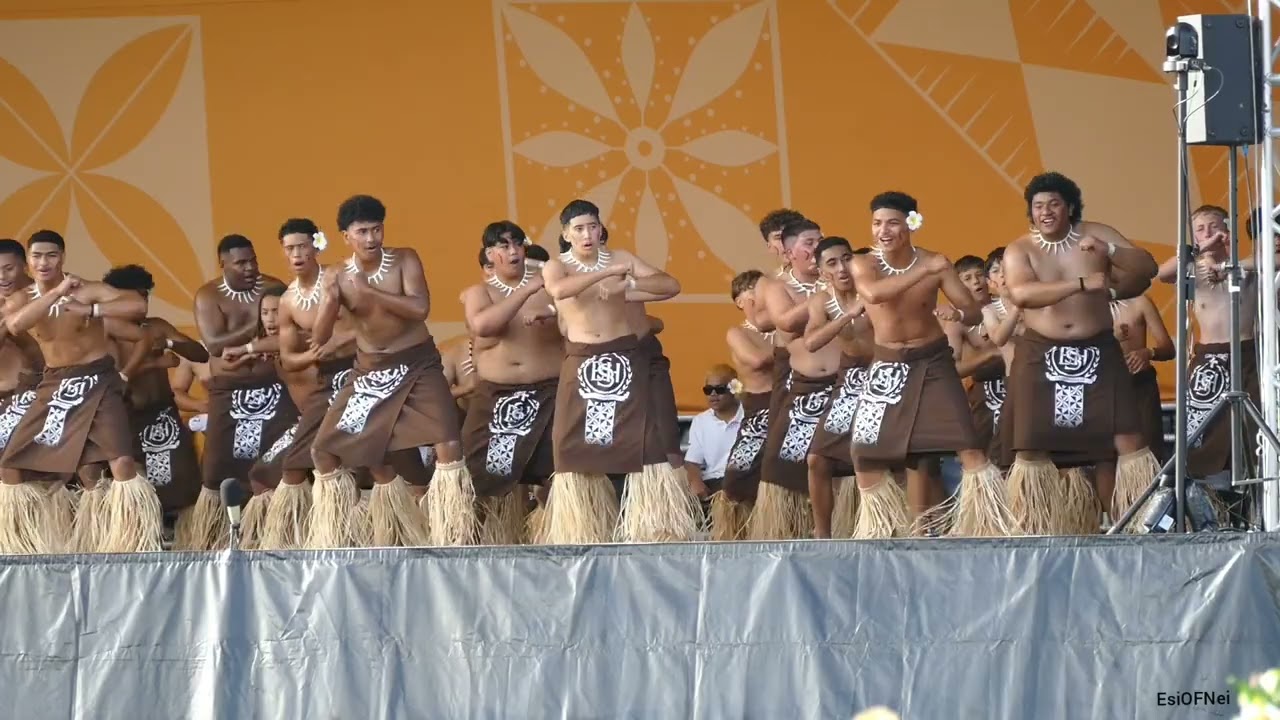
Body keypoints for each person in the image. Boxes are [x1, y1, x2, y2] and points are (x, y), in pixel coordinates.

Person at [1001, 172, 1160, 535]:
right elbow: (1023, 294)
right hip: (1040, 352)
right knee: (1031, 445)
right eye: (1038, 206)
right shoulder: (1020, 249)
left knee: (1126, 437)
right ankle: (1036, 530)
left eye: (1053, 204)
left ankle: (1134, 527)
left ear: (1069, 206)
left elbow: (1147, 269)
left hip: (1099, 351)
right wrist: (1083, 283)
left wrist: (1111, 253)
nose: (1045, 212)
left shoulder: (1096, 234)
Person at [310, 195, 472, 547]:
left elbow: (420, 308)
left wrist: (371, 292)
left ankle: (452, 535)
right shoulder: (336, 275)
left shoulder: (404, 259)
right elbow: (319, 337)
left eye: (376, 229)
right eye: (362, 232)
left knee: (447, 442)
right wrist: (330, 299)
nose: (371, 238)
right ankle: (354, 532)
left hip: (418, 364)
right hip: (371, 371)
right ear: (345, 236)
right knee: (323, 449)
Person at [849, 193, 1007, 538]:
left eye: (892, 222)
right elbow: (875, 295)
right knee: (864, 448)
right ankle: (882, 529)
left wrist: (958, 313)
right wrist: (925, 270)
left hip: (934, 361)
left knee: (967, 443)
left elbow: (972, 310)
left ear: (912, 223)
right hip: (888, 363)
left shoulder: (936, 262)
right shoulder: (864, 264)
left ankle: (987, 526)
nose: (883, 231)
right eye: (877, 223)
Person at [540, 199, 697, 543]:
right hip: (582, 359)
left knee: (644, 436)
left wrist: (627, 286)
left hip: (624, 356)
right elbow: (559, 290)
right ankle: (583, 528)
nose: (587, 234)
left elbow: (670, 285)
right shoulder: (557, 266)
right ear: (565, 234)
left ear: (601, 229)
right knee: (569, 441)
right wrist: (607, 274)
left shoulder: (622, 257)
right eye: (579, 229)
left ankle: (655, 527)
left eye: (593, 227)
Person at [0, 230, 155, 554]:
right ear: (29, 261)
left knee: (120, 462)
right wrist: (55, 293)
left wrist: (94, 311)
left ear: (62, 257)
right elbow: (15, 325)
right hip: (55, 383)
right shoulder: (24, 298)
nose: (44, 262)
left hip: (97, 380)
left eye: (52, 255)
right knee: (11, 464)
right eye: (37, 256)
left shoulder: (85, 290)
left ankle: (129, 544)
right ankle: (26, 547)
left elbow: (136, 304)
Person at [247, 219, 366, 550]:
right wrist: (315, 353)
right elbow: (288, 357)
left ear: (317, 246)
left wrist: (337, 341)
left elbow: (374, 325)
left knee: (371, 459)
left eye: (302, 246)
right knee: (293, 462)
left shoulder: (341, 279)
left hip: (361, 374)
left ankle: (364, 530)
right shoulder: (287, 301)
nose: (297, 254)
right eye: (290, 248)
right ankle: (299, 539)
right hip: (326, 381)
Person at [188, 234, 295, 550]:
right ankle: (217, 541)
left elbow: (288, 333)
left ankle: (272, 537)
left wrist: (264, 328)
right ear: (223, 263)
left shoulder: (273, 286)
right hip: (228, 393)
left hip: (274, 389)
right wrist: (259, 320)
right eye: (241, 263)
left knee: (275, 466)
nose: (250, 268)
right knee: (217, 470)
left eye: (254, 260)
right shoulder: (208, 296)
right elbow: (216, 345)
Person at [460, 221, 562, 545]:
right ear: (490, 254)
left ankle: (557, 540)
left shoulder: (551, 287)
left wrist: (553, 314)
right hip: (496, 396)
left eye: (517, 244)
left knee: (557, 471)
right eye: (504, 246)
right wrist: (525, 290)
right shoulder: (480, 293)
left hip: (548, 391)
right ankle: (474, 543)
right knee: (480, 471)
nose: (514, 251)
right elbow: (484, 326)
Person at [1157, 205, 1274, 487]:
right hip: (1208, 358)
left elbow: (1272, 260)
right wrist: (1201, 252)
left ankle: (1251, 491)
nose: (1207, 233)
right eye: (1200, 229)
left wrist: (1225, 268)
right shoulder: (1191, 269)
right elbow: (1163, 273)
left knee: (1251, 427)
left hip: (1247, 355)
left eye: (1213, 226)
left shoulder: (1248, 266)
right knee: (1202, 431)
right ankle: (1209, 497)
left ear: (1228, 231)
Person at [100, 264, 209, 549]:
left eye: (144, 297)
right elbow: (115, 378)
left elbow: (200, 353)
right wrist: (156, 362)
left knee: (183, 484)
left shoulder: (157, 326)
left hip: (162, 417)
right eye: (133, 298)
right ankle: (139, 544)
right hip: (127, 419)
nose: (140, 304)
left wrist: (171, 342)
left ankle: (184, 543)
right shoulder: (105, 334)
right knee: (136, 489)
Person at [752, 218, 829, 539]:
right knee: (785, 457)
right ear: (788, 253)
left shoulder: (841, 276)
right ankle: (789, 529)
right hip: (801, 383)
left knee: (844, 459)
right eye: (809, 243)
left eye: (819, 241)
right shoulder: (774, 286)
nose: (816, 249)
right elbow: (781, 322)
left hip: (846, 382)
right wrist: (821, 299)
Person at [805, 238, 875, 539]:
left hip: (885, 373)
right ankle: (823, 537)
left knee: (875, 455)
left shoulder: (873, 287)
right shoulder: (822, 302)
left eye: (847, 258)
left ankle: (883, 528)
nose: (842, 267)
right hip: (851, 378)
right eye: (832, 263)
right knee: (816, 458)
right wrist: (848, 314)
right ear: (822, 272)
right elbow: (811, 342)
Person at [715, 270, 774, 539]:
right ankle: (737, 534)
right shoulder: (737, 332)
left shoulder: (785, 326)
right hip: (758, 410)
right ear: (741, 301)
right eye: (754, 290)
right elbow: (757, 360)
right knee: (737, 479)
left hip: (789, 405)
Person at [1109, 291, 1173, 462]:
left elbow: (1168, 348)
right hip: (1103, 390)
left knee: (1148, 454)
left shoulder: (1139, 302)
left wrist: (1148, 352)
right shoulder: (1085, 306)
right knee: (1106, 459)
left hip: (1140, 387)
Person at [979, 247, 1021, 466]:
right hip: (1013, 381)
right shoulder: (990, 310)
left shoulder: (1037, 303)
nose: (1003, 274)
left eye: (1007, 268)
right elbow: (998, 338)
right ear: (990, 281)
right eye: (996, 270)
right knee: (1006, 446)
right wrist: (1016, 309)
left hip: (1044, 377)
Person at [684, 363, 744, 512]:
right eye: (708, 390)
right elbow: (692, 462)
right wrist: (695, 482)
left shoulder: (750, 416)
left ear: (734, 389)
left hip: (744, 481)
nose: (713, 394)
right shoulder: (701, 421)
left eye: (719, 389)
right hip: (713, 485)